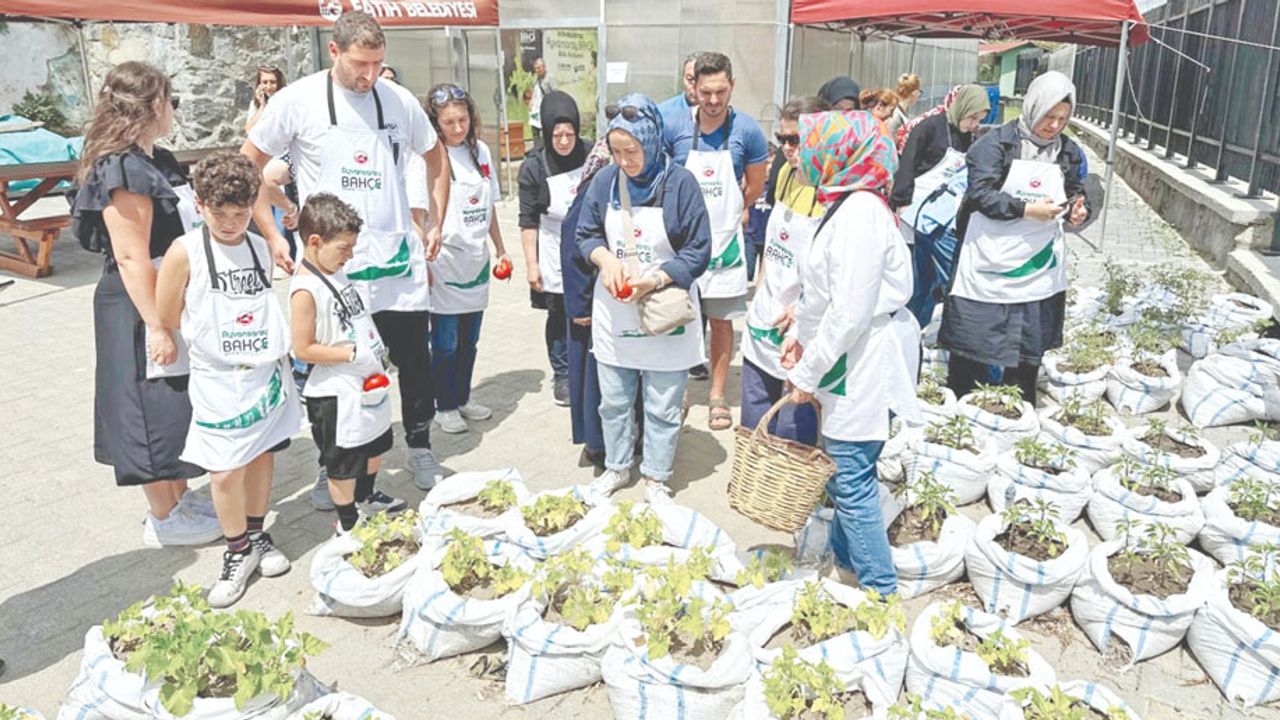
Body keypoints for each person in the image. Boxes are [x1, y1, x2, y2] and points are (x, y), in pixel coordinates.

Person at [242, 11, 449, 499]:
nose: (370, 75)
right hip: (332, 273)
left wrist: (436, 219)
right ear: (333, 52)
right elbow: (247, 163)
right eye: (360, 64)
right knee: (333, 373)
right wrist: (271, 233)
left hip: (396, 264)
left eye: (378, 63)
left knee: (414, 363)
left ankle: (420, 445)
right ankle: (331, 465)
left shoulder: (397, 101)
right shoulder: (297, 101)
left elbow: (434, 155)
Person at [71, 61, 221, 549]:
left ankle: (179, 495)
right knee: (147, 404)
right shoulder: (122, 167)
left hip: (167, 291)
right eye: (169, 100)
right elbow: (132, 255)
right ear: (152, 106)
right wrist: (157, 325)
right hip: (139, 304)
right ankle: (164, 516)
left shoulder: (156, 158)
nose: (173, 109)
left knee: (171, 403)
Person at [781, 109, 921, 597]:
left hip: (864, 357)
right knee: (846, 466)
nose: (799, 152)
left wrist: (807, 369)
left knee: (852, 472)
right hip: (849, 354)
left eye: (808, 143)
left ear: (838, 154)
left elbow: (851, 311)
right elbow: (824, 295)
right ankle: (844, 562)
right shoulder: (842, 202)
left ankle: (880, 589)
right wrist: (800, 333)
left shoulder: (859, 213)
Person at [154, 150, 302, 608]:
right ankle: (236, 549)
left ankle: (257, 536)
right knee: (223, 472)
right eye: (219, 213)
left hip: (264, 375)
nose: (231, 223)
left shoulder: (259, 245)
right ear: (199, 205)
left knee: (260, 455)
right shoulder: (186, 250)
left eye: (241, 214)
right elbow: (166, 312)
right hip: (218, 378)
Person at [577, 94, 711, 504]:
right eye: (616, 151)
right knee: (614, 399)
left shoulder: (680, 184)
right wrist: (604, 260)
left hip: (664, 311)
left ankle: (656, 476)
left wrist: (655, 279)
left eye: (631, 151)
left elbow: (699, 249)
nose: (623, 160)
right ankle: (617, 467)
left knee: (663, 403)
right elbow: (586, 234)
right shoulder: (604, 182)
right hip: (616, 313)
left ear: (651, 141)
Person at [941, 71, 1091, 404]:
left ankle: (1019, 403)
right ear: (1032, 107)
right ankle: (962, 400)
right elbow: (980, 193)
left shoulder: (1069, 152)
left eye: (1062, 119)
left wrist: (1079, 210)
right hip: (989, 256)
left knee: (1028, 336)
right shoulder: (994, 144)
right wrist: (1025, 209)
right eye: (1048, 116)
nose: (1054, 126)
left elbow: (1076, 191)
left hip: (1036, 264)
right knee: (977, 333)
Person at [664, 52, 769, 431]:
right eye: (705, 92)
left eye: (720, 91)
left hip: (725, 244)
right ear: (694, 86)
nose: (712, 100)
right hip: (681, 244)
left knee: (722, 323)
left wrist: (738, 211)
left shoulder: (748, 131)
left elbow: (756, 183)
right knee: (679, 320)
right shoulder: (674, 125)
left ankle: (717, 396)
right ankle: (679, 393)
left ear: (732, 86)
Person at [291, 193, 398, 533]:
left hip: (366, 380)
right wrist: (349, 354)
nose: (349, 256)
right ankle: (349, 524)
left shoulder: (334, 270)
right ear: (314, 241)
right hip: (337, 392)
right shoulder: (305, 289)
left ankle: (367, 497)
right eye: (344, 248)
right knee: (345, 462)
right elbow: (303, 348)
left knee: (375, 443)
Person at [740, 96, 829, 446]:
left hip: (800, 321)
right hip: (766, 312)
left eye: (796, 141)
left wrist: (800, 312)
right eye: (783, 140)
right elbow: (771, 247)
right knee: (754, 414)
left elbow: (831, 272)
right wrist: (761, 289)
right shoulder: (785, 177)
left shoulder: (829, 192)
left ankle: (788, 491)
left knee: (793, 420)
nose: (788, 149)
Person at [426, 83, 508, 434]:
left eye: (463, 120)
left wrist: (501, 248)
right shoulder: (429, 156)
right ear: (435, 123)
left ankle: (461, 397)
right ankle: (443, 405)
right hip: (444, 261)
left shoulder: (482, 153)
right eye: (449, 122)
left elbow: (488, 205)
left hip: (476, 259)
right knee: (445, 341)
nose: (458, 128)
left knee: (470, 338)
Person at [891, 85, 992, 327]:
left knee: (929, 277)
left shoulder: (969, 136)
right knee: (917, 274)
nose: (974, 124)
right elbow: (907, 164)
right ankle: (908, 326)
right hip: (914, 210)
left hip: (943, 214)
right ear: (961, 109)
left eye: (979, 120)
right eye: (972, 118)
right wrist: (902, 201)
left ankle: (918, 325)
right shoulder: (928, 128)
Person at [518, 90, 590, 407]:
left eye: (569, 133)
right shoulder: (534, 166)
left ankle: (587, 368)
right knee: (559, 313)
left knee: (587, 310)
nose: (563, 141)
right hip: (551, 243)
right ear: (547, 133)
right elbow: (528, 220)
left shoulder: (590, 155)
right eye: (557, 134)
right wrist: (531, 265)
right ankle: (562, 374)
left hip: (586, 242)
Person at [560, 139, 613, 468]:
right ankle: (597, 443)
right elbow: (573, 243)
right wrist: (580, 307)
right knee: (593, 378)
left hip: (610, 298)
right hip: (590, 303)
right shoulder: (600, 182)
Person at [656, 52, 704, 125]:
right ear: (683, 78)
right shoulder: (662, 115)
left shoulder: (723, 117)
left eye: (701, 80)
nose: (696, 86)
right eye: (690, 79)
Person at [245, 65, 287, 133]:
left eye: (273, 82)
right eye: (265, 82)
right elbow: (249, 130)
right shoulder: (255, 104)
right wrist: (262, 107)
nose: (269, 86)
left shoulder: (287, 102)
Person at [527, 57, 557, 151]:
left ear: (544, 67)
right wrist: (531, 103)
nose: (537, 70)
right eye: (536, 68)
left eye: (539, 68)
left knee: (545, 130)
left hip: (545, 109)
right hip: (535, 109)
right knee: (535, 131)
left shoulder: (550, 78)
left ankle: (545, 150)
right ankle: (536, 149)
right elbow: (535, 92)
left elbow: (555, 93)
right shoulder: (536, 78)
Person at [886, 73, 922, 137]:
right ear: (915, 93)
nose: (919, 95)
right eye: (920, 91)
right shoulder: (895, 114)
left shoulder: (900, 111)